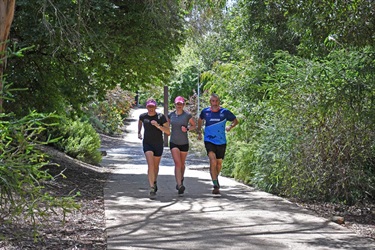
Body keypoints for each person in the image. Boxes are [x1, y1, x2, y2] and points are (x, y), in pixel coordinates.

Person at [197, 93, 238, 194]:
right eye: (212, 101)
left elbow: (236, 120)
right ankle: (215, 184)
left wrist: (230, 126)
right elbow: (200, 120)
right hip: (209, 140)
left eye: (216, 101)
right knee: (213, 160)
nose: (214, 103)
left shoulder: (225, 112)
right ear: (210, 102)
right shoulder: (205, 112)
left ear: (219, 102)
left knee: (219, 164)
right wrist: (199, 132)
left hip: (221, 141)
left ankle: (215, 178)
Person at [138, 98, 170, 197]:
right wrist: (139, 132)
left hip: (158, 144)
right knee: (150, 165)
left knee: (155, 167)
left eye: (152, 107)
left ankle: (154, 181)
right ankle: (152, 187)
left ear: (155, 107)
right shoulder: (143, 116)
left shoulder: (161, 117)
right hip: (147, 143)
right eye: (149, 106)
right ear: (146, 107)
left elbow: (168, 132)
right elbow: (140, 123)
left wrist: (158, 126)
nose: (151, 109)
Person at [168, 96, 196, 195]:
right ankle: (179, 185)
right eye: (177, 104)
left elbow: (194, 125)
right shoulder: (170, 115)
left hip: (184, 142)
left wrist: (187, 129)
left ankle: (181, 178)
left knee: (182, 164)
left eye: (181, 104)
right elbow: (166, 127)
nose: (179, 106)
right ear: (175, 105)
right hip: (173, 142)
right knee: (177, 163)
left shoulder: (187, 115)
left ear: (183, 105)